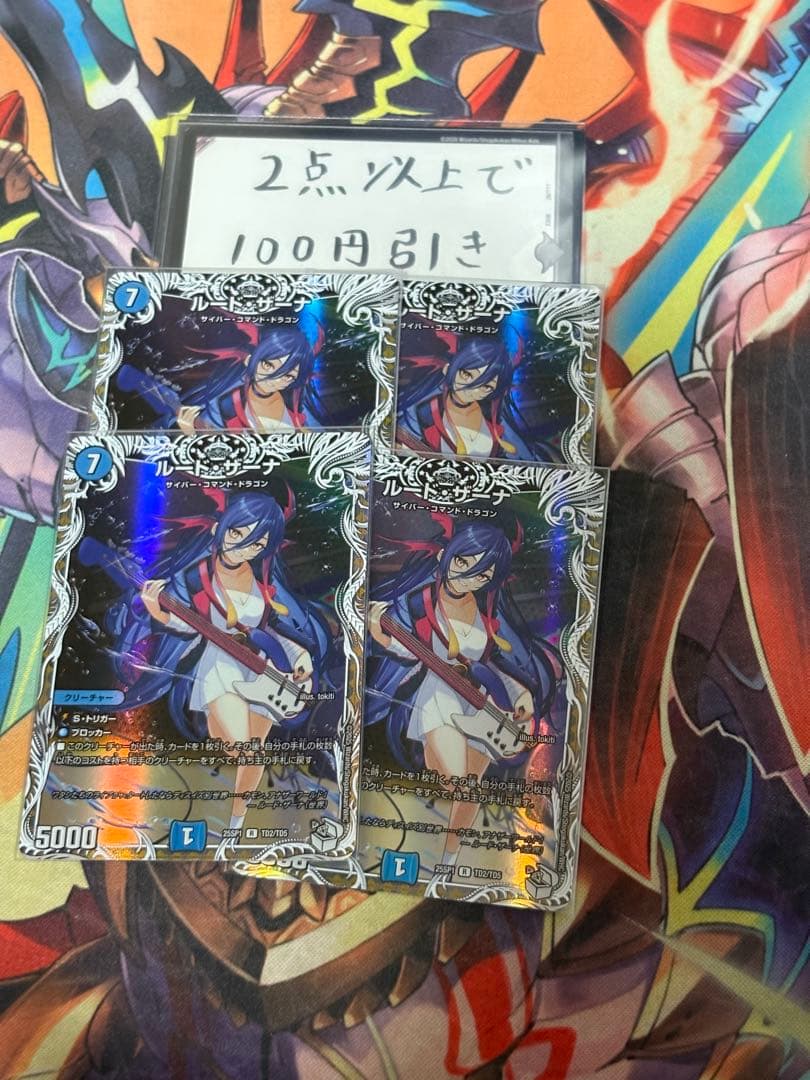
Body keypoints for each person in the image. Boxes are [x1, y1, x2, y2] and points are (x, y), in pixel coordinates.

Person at [108, 490, 334, 833]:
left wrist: (299, 655)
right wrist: (160, 613)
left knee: (255, 752)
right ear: (220, 528)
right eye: (237, 533)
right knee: (240, 748)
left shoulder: (262, 580)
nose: (243, 547)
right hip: (221, 668)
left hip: (264, 672)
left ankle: (236, 826)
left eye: (256, 544)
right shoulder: (195, 577)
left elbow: (272, 626)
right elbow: (190, 625)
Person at [366, 519, 560, 868]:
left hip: (484, 706)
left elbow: (495, 660)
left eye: (481, 574)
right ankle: (426, 845)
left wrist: (519, 694)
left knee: (470, 789)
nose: (468, 577)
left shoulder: (486, 609)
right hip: (439, 697)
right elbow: (412, 651)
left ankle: (449, 861)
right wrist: (381, 636)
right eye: (462, 562)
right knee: (456, 781)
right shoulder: (419, 601)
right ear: (445, 555)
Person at [396, 336, 555, 462]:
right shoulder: (422, 414)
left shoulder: (494, 417)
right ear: (448, 369)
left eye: (486, 386)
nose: (473, 389)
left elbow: (523, 459)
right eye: (467, 374)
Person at [176, 325, 325, 434]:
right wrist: (190, 435)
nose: (275, 379)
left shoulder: (295, 402)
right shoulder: (225, 405)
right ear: (249, 360)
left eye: (288, 375)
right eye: (268, 365)